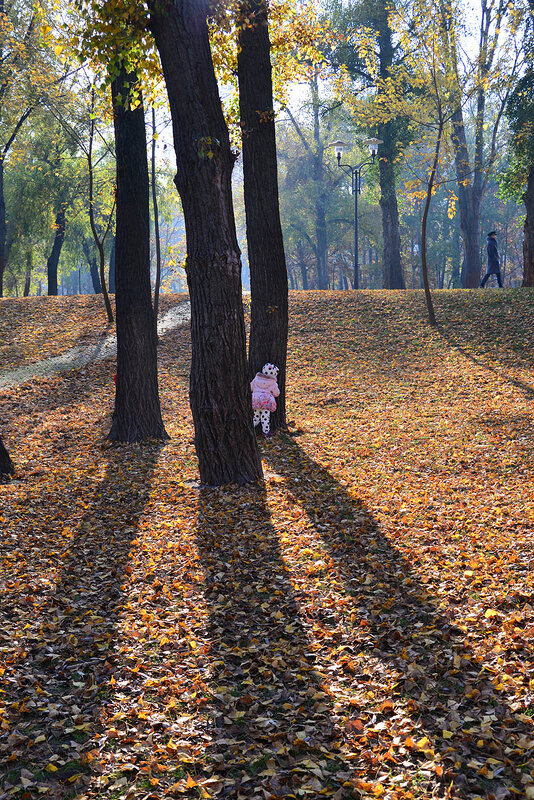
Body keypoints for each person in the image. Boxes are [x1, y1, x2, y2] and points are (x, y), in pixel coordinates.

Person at [251, 363, 280, 438]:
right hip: (266, 402)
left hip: (256, 400)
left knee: (256, 417)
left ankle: (250, 429)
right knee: (265, 418)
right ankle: (266, 432)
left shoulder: (256, 379)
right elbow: (276, 393)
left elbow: (251, 387)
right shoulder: (273, 383)